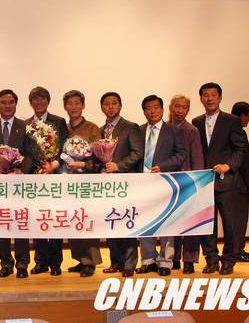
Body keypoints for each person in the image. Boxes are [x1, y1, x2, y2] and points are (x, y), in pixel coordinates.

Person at [192, 82, 247, 275]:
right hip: (204, 182)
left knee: (230, 224)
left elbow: (240, 149)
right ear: (201, 99)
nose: (209, 98)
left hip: (227, 181)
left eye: (213, 95)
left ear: (220, 97)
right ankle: (211, 260)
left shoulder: (232, 120)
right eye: (206, 95)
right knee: (206, 225)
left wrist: (228, 165)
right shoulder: (196, 121)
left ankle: (229, 261)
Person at [0, 89, 34, 279]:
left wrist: (22, 170)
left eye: (11, 102)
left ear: (16, 104)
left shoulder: (26, 126)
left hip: (19, 182)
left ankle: (22, 263)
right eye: (3, 102)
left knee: (20, 221)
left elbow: (31, 153)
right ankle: (6, 263)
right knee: (3, 222)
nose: (7, 105)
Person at [135, 95, 186, 277]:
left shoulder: (174, 131)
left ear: (163, 109)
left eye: (156, 107)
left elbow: (181, 155)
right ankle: (148, 260)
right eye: (148, 108)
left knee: (166, 222)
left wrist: (163, 166)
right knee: (144, 222)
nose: (152, 111)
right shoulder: (138, 131)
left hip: (165, 183)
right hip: (142, 184)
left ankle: (165, 261)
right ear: (144, 111)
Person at [99, 91, 143, 278]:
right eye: (107, 104)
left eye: (114, 103)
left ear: (120, 105)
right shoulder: (101, 130)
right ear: (102, 108)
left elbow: (137, 153)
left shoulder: (130, 127)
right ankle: (115, 261)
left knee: (126, 222)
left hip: (126, 183)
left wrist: (118, 165)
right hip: (108, 185)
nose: (110, 107)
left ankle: (129, 263)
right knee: (111, 221)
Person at [25, 86, 68, 276]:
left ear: (48, 101)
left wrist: (53, 165)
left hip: (55, 177)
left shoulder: (59, 121)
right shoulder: (26, 124)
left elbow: (64, 148)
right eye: (35, 99)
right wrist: (36, 169)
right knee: (39, 219)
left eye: (42, 98)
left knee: (55, 219)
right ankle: (41, 261)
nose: (39, 102)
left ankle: (56, 263)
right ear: (31, 102)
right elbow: (26, 151)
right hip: (35, 178)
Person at [62, 90, 102, 278]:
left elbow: (99, 156)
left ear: (83, 105)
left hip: (87, 180)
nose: (73, 107)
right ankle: (80, 258)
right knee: (73, 219)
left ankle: (90, 262)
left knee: (87, 219)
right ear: (65, 107)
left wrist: (83, 164)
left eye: (77, 103)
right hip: (67, 181)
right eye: (70, 104)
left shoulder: (92, 128)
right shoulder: (63, 128)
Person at [168, 94, 204, 274]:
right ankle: (174, 258)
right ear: (170, 107)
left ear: (188, 110)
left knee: (190, 222)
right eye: (177, 106)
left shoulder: (191, 130)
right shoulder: (165, 128)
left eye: (184, 107)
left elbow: (197, 158)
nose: (180, 110)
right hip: (168, 181)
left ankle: (189, 260)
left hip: (188, 181)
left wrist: (197, 182)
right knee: (171, 220)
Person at [231, 101, 249, 263]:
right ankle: (236, 251)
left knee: (238, 219)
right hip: (239, 183)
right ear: (241, 116)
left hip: (237, 182)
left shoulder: (233, 130)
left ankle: (239, 248)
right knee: (239, 219)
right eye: (248, 115)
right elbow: (244, 161)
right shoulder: (238, 132)